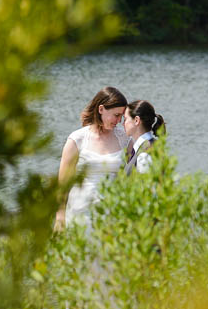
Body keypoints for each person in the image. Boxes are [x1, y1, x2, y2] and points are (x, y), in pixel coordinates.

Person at [54, 86, 129, 232]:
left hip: (113, 214)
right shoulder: (77, 139)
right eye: (116, 115)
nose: (119, 121)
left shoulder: (124, 138)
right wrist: (60, 217)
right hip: (79, 214)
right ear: (101, 109)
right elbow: (62, 184)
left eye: (121, 116)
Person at [123, 100, 165, 175]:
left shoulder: (144, 155)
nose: (123, 123)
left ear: (136, 120)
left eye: (125, 119)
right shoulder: (153, 144)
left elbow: (146, 185)